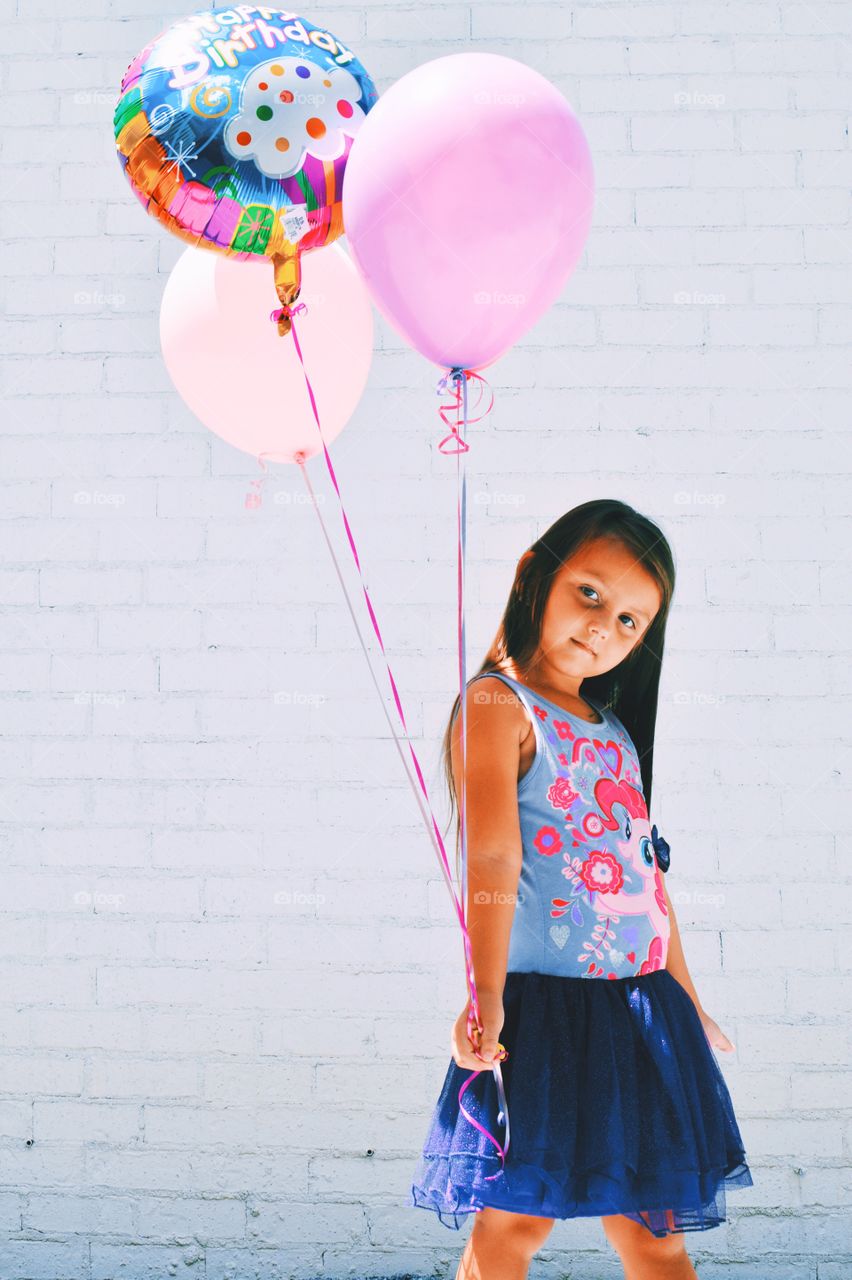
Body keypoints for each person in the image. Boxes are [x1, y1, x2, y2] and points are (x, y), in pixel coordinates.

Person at [409, 499, 754, 1280]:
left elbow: (648, 884)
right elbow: (493, 857)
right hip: (545, 1019)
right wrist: (485, 992)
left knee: (655, 1232)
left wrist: (687, 999)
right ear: (536, 574)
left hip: (639, 1013)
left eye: (631, 621)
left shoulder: (615, 731)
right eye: (591, 594)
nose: (604, 628)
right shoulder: (499, 706)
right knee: (513, 1224)